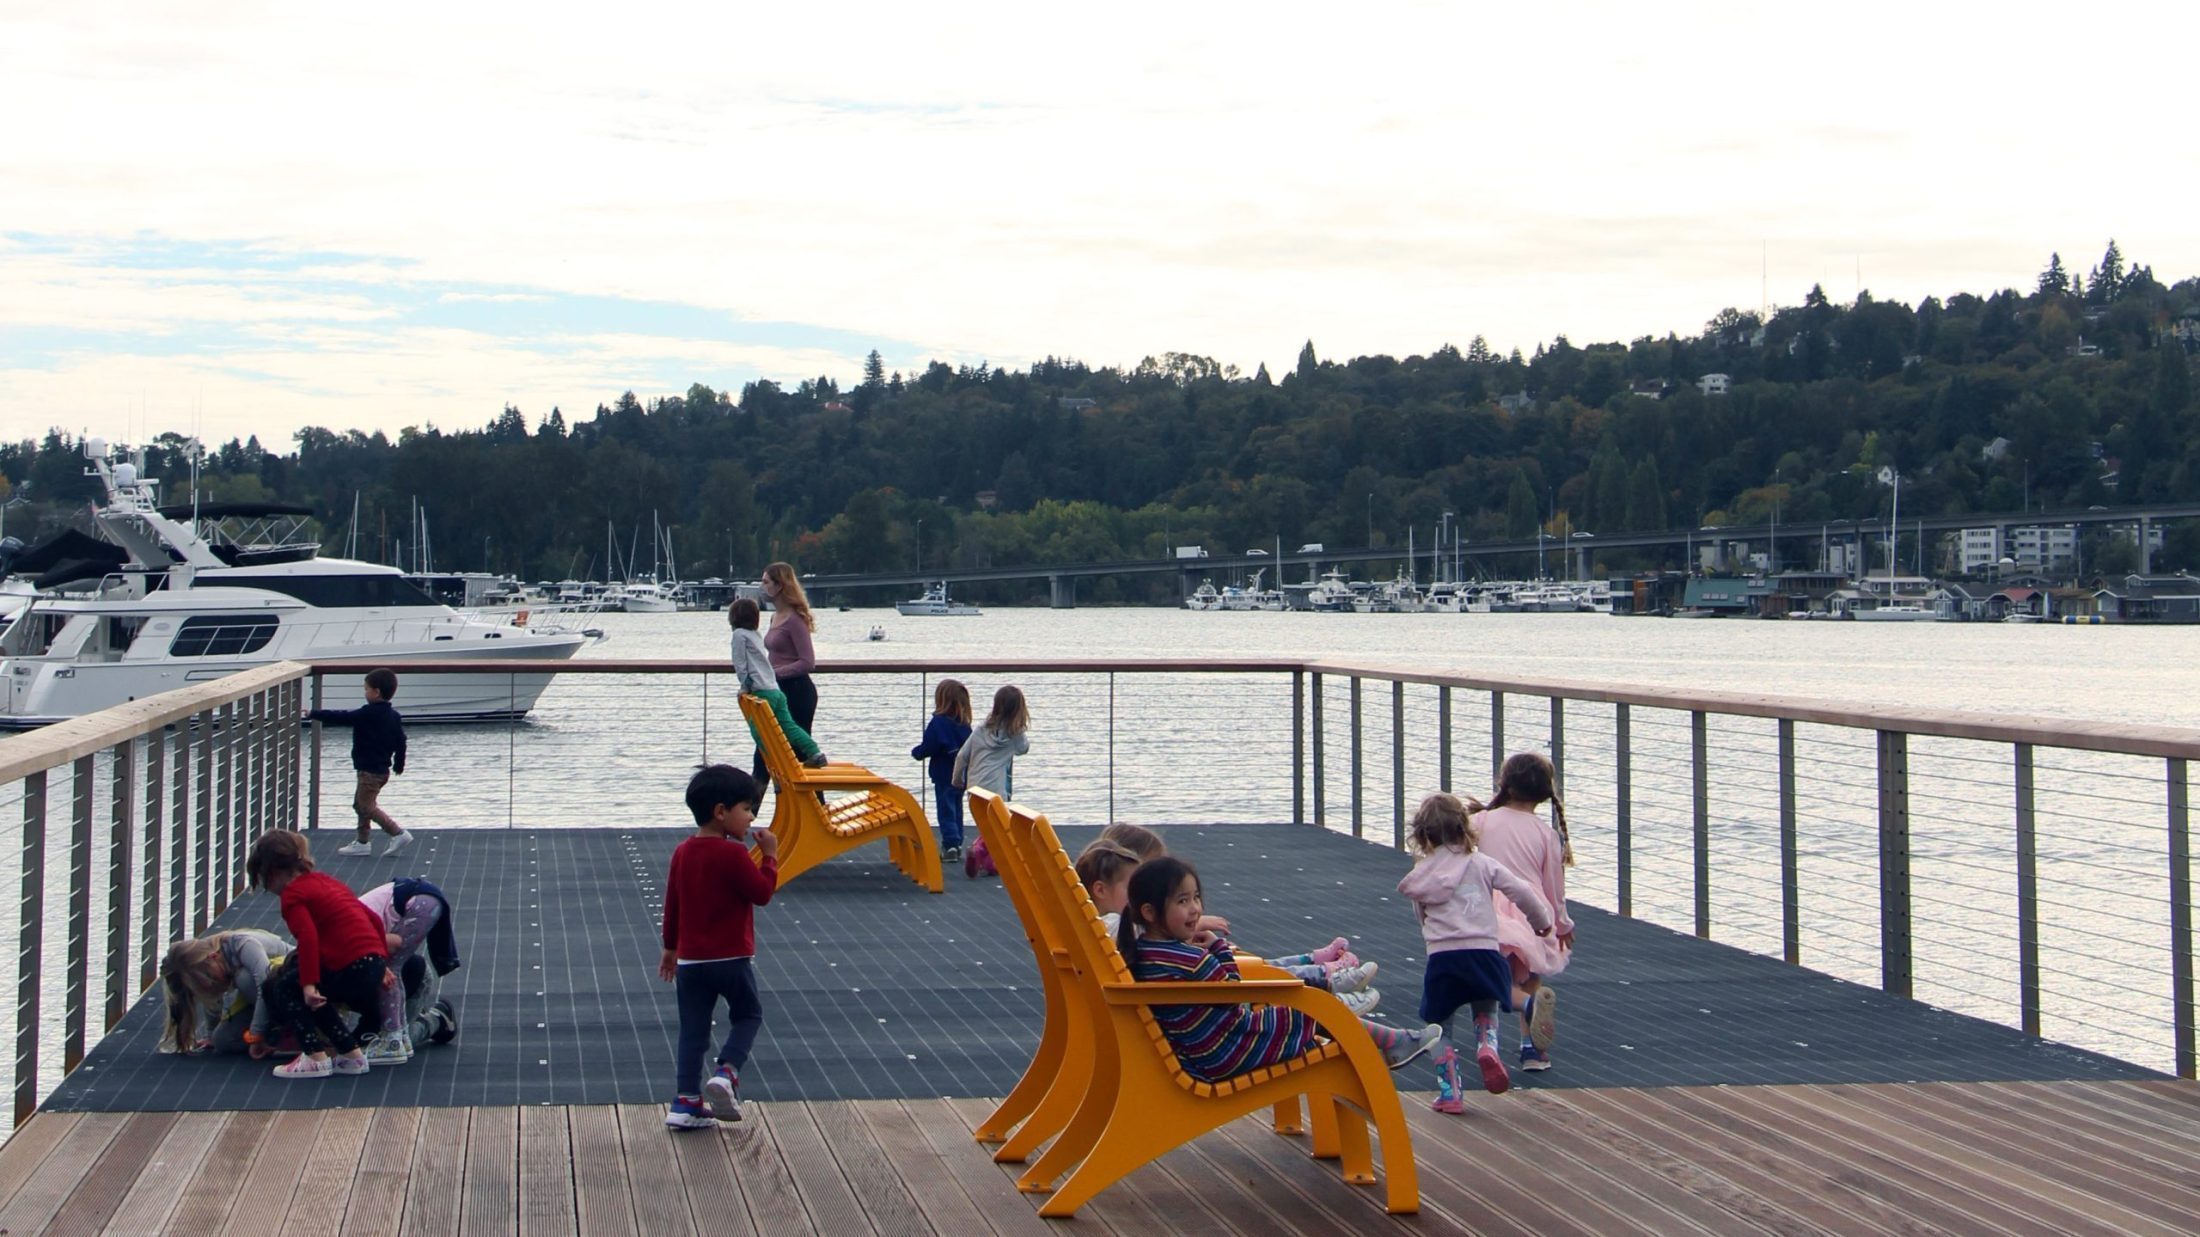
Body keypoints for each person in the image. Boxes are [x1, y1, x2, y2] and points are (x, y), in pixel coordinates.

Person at [1117, 857, 1442, 1083]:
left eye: (1196, 898)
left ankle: (1388, 1041)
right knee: (1311, 1011)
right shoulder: (1185, 957)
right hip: (1224, 1051)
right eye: (1183, 901)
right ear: (1149, 911)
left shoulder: (1145, 952)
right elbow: (1232, 992)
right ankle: (1396, 1041)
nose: (1196, 909)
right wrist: (1217, 947)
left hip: (1200, 1047)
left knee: (1304, 1010)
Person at [1088, 824, 1375, 1008]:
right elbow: (1230, 984)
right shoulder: (1119, 929)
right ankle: (1325, 984)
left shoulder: (1107, 929)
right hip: (1205, 1026)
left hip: (1181, 1006)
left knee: (1252, 963)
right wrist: (1208, 939)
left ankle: (1318, 973)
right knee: (1250, 968)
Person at [1398, 793, 1553, 1112]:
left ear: (1423, 835)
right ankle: (1487, 1047)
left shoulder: (1423, 874)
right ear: (1464, 828)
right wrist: (1542, 923)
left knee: (1439, 1026)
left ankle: (1450, 1091)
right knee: (1487, 1008)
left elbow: (1422, 916)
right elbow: (1520, 891)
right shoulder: (1481, 863)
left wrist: (1434, 939)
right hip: (1484, 952)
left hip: (1443, 959)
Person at [661, 765, 779, 1130]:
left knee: (693, 1029)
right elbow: (761, 894)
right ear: (721, 811)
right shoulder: (732, 854)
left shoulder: (683, 852)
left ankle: (685, 1103)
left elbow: (673, 903)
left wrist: (670, 948)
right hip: (731, 957)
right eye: (746, 808)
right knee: (748, 1015)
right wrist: (770, 857)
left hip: (692, 960)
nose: (751, 817)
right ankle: (727, 1072)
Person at [246, 830, 391, 1079]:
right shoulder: (326, 881)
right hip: (371, 963)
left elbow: (309, 938)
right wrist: (381, 961)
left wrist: (309, 984)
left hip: (350, 967)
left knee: (286, 987)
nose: (271, 891)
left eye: (265, 882)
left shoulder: (293, 895)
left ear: (273, 873)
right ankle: (351, 1056)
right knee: (315, 992)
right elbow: (373, 919)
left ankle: (314, 1056)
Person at [1473, 752, 1576, 1073]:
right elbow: (1553, 888)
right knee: (1529, 976)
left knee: (1488, 979)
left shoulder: (1482, 821)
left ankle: (1488, 1044)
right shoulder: (1547, 834)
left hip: (1492, 911)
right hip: (1533, 913)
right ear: (1546, 793)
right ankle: (1532, 1050)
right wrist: (1561, 925)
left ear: (1504, 785)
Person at [308, 667, 414, 858]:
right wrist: (399, 763)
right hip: (381, 769)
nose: (365, 693)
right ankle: (362, 842)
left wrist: (314, 713)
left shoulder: (368, 713)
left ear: (376, 692)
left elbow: (342, 717)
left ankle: (397, 833)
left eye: (366, 689)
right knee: (360, 804)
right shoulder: (393, 716)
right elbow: (401, 741)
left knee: (366, 806)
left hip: (369, 771)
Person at [355, 877, 462, 1063]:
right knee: (388, 970)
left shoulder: (346, 934)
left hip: (418, 903)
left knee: (389, 968)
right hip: (418, 899)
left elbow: (393, 944)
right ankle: (397, 1036)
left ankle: (394, 1040)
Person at [157, 929, 292, 1057]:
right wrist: (211, 1034)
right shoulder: (207, 958)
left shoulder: (244, 944)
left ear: (214, 956)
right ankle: (280, 1037)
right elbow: (212, 996)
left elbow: (264, 985)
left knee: (244, 979)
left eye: (212, 978)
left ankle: (293, 1032)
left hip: (290, 987)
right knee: (223, 1041)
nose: (212, 983)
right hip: (261, 999)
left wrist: (256, 1034)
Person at [729, 598, 828, 769]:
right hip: (775, 690)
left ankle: (774, 760)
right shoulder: (755, 634)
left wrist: (744, 687)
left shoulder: (739, 635)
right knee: (789, 726)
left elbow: (741, 665)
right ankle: (815, 752)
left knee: (759, 731)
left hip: (761, 692)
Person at [748, 563, 820, 790]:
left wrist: (773, 674)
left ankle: (816, 814)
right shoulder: (775, 617)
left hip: (798, 692)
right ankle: (748, 816)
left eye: (766, 581)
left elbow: (807, 662)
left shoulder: (795, 619)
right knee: (764, 754)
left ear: (780, 585)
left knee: (798, 756)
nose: (762, 586)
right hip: (777, 691)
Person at [911, 679, 974, 861]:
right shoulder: (964, 725)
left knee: (945, 809)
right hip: (961, 775)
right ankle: (957, 841)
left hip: (943, 774)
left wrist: (917, 753)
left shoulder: (938, 723)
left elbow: (929, 745)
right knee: (957, 808)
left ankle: (950, 843)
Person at [953, 685, 1030, 799]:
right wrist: (1020, 728)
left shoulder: (981, 729)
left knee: (980, 816)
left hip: (975, 790)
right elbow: (1023, 749)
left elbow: (962, 756)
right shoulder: (1014, 735)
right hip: (997, 794)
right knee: (997, 815)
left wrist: (957, 781)